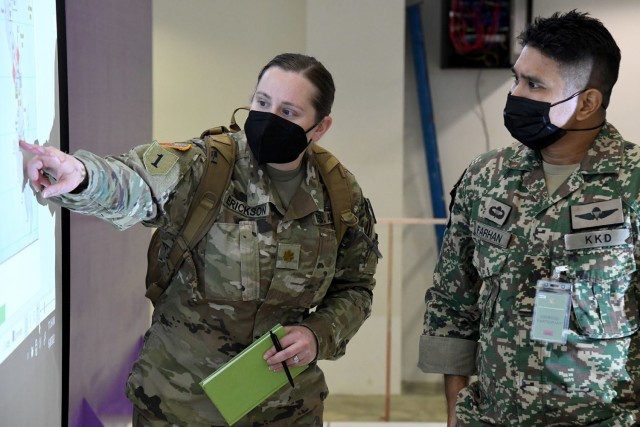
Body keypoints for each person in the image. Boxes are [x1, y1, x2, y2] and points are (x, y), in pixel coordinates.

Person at [20, 53, 380, 426]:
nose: (269, 118)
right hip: (180, 406)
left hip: (286, 410)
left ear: (320, 127)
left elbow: (355, 287)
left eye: (288, 112)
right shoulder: (207, 166)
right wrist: (81, 174)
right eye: (261, 103)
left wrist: (317, 334)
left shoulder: (339, 193)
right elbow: (134, 182)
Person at [418, 10, 640, 427]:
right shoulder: (487, 177)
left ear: (587, 102)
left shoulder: (633, 184)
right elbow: (453, 301)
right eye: (516, 79)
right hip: (493, 416)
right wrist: (455, 411)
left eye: (535, 84)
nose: (517, 94)